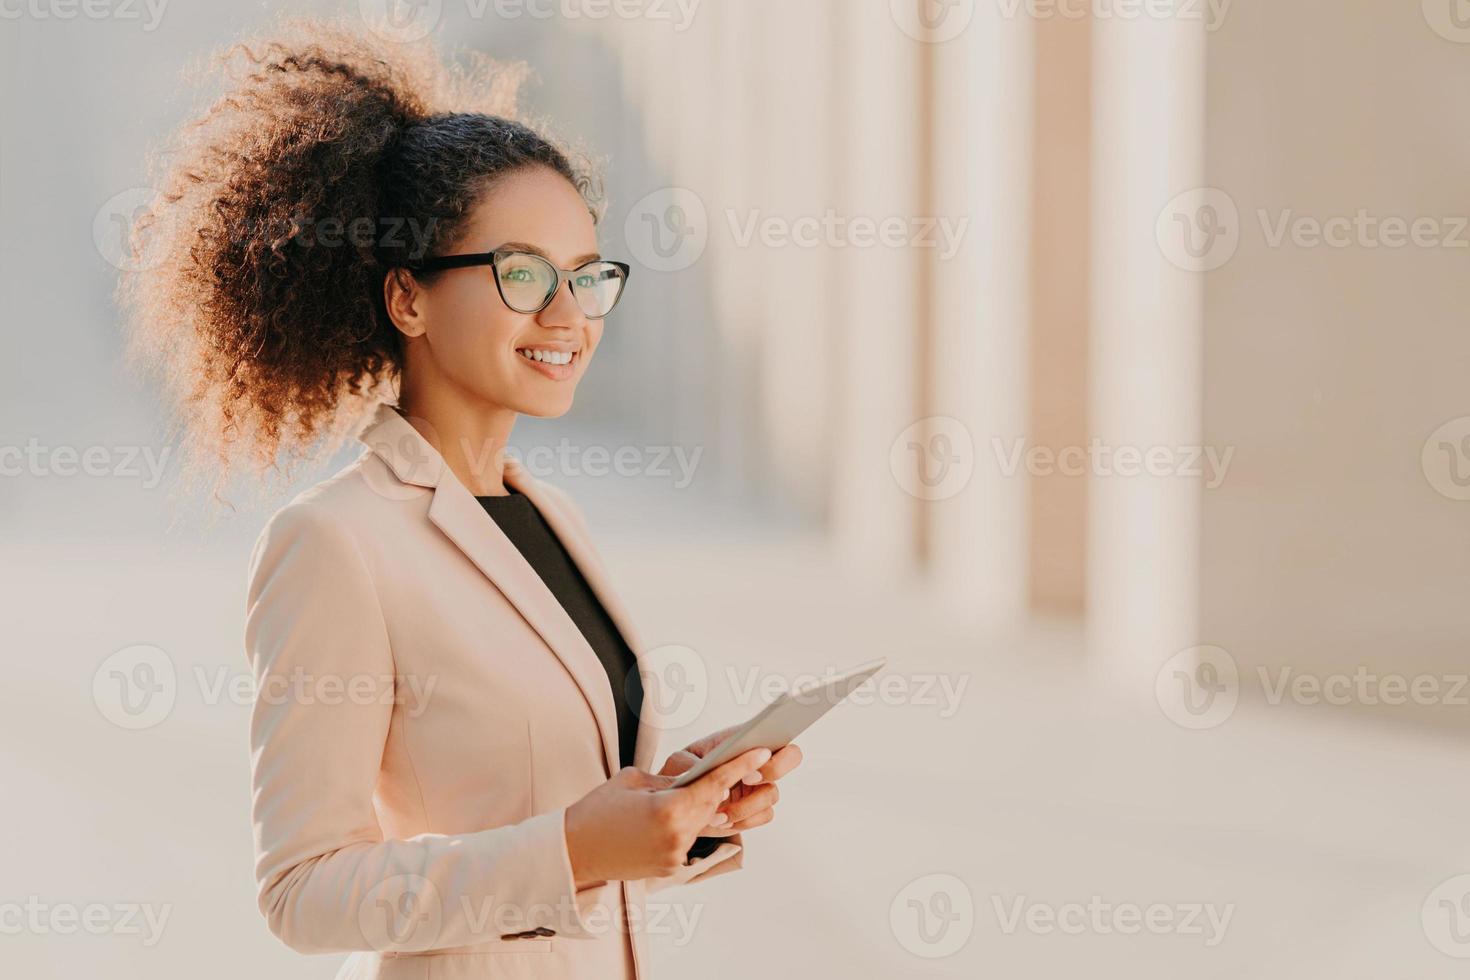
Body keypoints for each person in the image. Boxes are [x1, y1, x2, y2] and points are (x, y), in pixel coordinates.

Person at [120, 19, 801, 979]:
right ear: (409, 300)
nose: (567, 316)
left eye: (587, 277)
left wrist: (677, 817)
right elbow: (303, 892)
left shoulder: (544, 515)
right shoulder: (335, 544)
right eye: (522, 274)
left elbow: (558, 835)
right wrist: (573, 847)